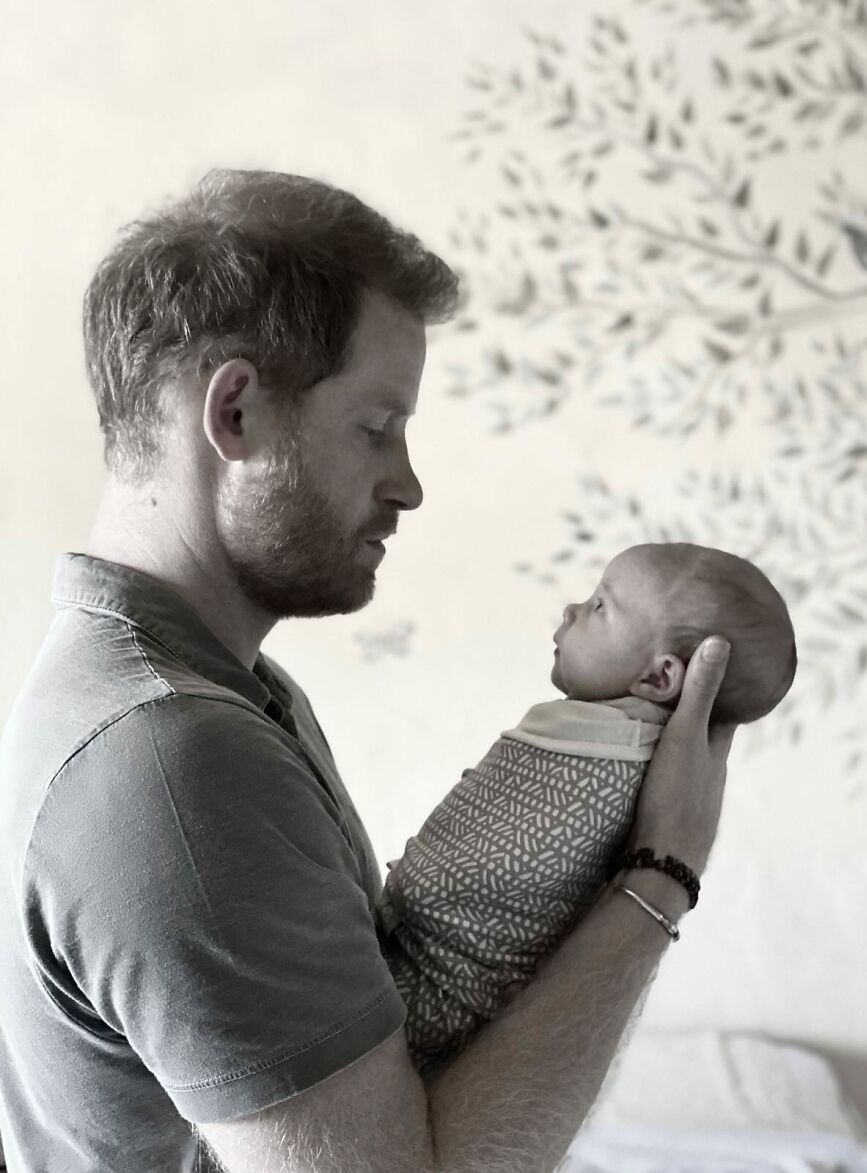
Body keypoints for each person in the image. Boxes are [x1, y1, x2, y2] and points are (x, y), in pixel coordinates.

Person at [0, 168, 737, 1173]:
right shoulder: (172, 761)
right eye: (376, 426)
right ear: (239, 416)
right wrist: (660, 878)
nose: (409, 484)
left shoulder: (198, 689)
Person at [377, 542, 797, 1078]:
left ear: (658, 679)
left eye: (601, 606)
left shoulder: (625, 761)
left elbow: (528, 874)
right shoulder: (590, 733)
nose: (571, 611)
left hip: (441, 994)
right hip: (408, 957)